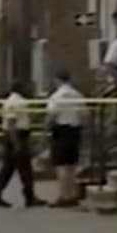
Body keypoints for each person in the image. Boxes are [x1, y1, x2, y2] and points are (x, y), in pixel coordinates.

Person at [0, 82, 46, 208]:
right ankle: (29, 196)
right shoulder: (16, 102)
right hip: (17, 136)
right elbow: (11, 123)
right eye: (27, 86)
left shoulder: (13, 101)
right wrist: (17, 143)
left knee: (8, 168)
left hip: (15, 136)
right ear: (21, 88)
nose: (30, 89)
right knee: (25, 168)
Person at [45, 70, 85, 208]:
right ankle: (73, 194)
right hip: (75, 130)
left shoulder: (56, 96)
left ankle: (64, 196)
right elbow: (84, 114)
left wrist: (46, 128)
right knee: (72, 165)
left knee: (61, 165)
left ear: (57, 80)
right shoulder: (78, 95)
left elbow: (51, 115)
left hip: (61, 130)